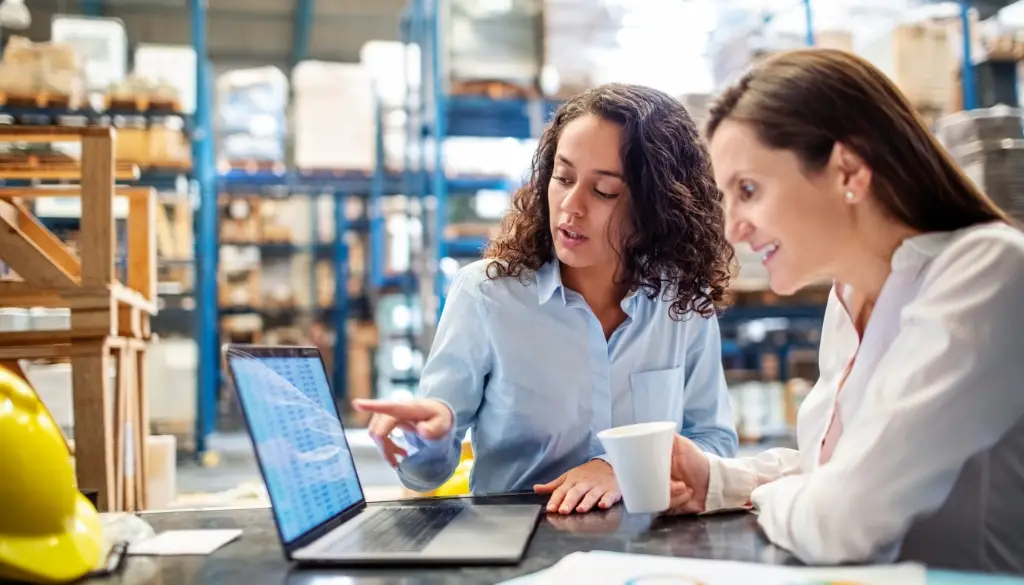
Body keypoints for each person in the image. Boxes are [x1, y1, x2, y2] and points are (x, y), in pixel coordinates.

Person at [666, 47, 1024, 573]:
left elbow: (840, 521)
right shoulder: (849, 295)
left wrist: (767, 497)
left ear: (849, 170)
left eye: (748, 190)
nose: (732, 229)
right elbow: (837, 468)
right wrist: (720, 481)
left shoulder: (987, 271)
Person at [354, 83, 738, 515]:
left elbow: (715, 442)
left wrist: (619, 468)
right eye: (563, 177)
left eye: (604, 191)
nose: (571, 206)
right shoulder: (486, 295)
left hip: (646, 544)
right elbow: (426, 476)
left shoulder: (683, 303)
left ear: (657, 206)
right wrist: (430, 437)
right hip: (518, 543)